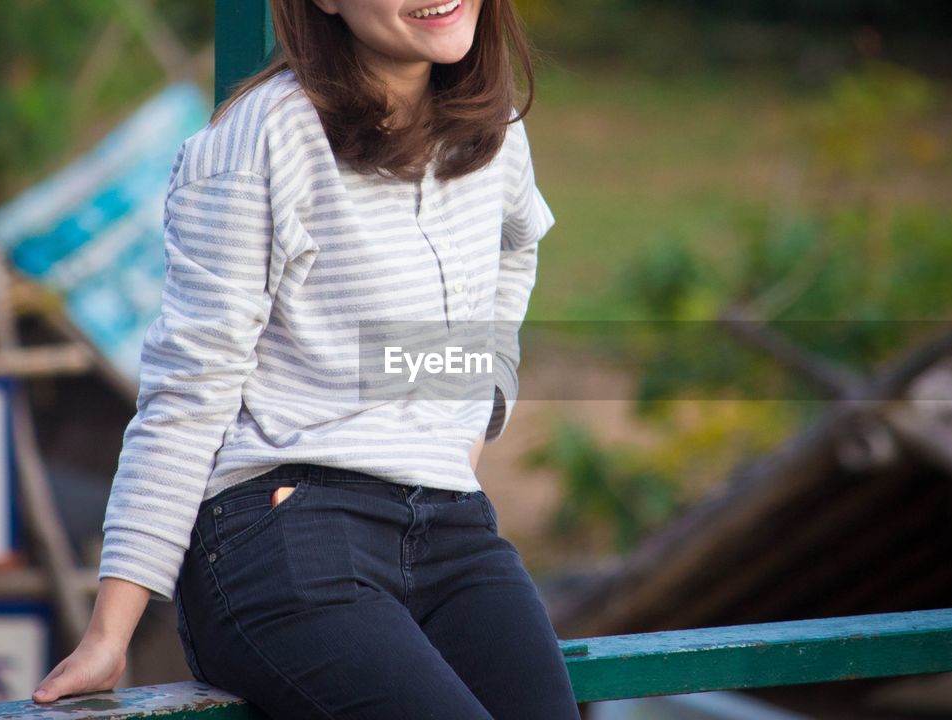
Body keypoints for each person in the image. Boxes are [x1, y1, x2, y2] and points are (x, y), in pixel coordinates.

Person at [31, 0, 580, 717]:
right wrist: (110, 632)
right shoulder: (263, 139)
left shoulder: (492, 130)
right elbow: (189, 390)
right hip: (285, 529)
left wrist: (469, 418)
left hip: (451, 524)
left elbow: (515, 249)